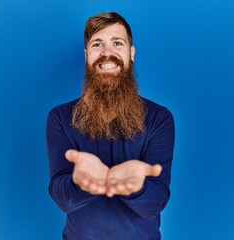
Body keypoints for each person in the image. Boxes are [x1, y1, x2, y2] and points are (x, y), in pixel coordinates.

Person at [46, 12, 175, 240]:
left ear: (131, 53)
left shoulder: (159, 118)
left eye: (117, 43)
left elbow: (156, 202)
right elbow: (62, 198)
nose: (107, 53)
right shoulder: (60, 118)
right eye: (98, 44)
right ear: (86, 56)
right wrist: (81, 182)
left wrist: (136, 187)